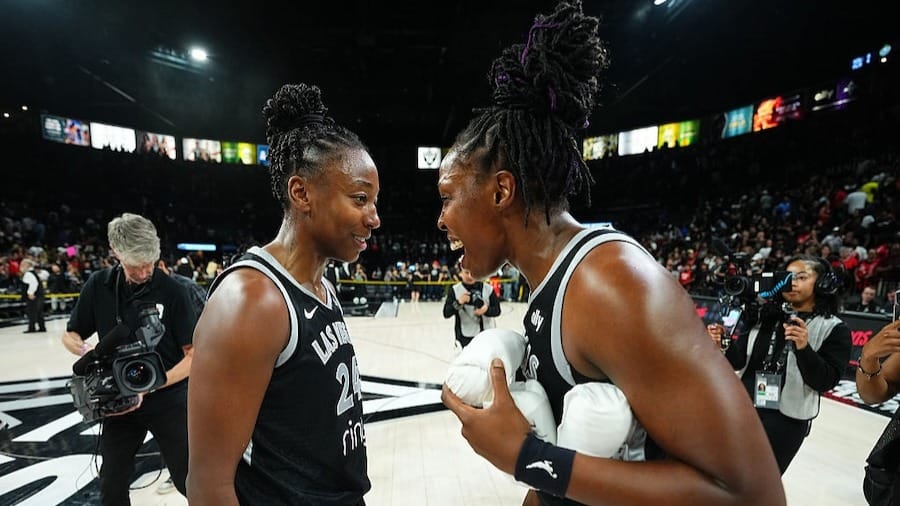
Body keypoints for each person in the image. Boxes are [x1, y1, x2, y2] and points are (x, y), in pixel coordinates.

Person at [436, 2, 785, 504]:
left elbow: (752, 494)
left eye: (447, 196)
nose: (442, 219)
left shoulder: (610, 283)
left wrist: (527, 460)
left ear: (500, 192)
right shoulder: (555, 280)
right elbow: (574, 477)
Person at [187, 82, 379, 505]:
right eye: (360, 199)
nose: (374, 218)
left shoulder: (323, 287)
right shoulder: (252, 300)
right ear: (301, 193)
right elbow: (207, 485)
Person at [61, 213, 198, 505]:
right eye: (137, 266)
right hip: (119, 401)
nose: (145, 271)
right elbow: (71, 333)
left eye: (150, 263)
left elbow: (193, 356)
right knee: (111, 482)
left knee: (189, 478)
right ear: (116, 253)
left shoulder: (174, 291)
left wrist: (154, 384)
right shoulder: (99, 285)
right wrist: (85, 350)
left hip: (168, 398)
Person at [708, 255, 851, 474]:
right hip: (743, 407)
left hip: (786, 421)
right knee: (721, 474)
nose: (791, 282)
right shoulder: (764, 317)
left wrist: (803, 348)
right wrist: (724, 343)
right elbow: (738, 362)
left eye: (801, 277)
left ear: (823, 283)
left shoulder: (834, 328)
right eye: (786, 277)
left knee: (759, 484)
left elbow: (825, 381)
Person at [443, 265, 501, 349]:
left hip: (487, 336)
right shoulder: (455, 290)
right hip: (465, 338)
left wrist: (486, 310)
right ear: (460, 273)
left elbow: (497, 310)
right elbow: (446, 313)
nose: (470, 276)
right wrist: (459, 302)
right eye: (466, 272)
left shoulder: (488, 289)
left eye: (473, 272)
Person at [19, 258, 46, 333]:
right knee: (39, 312)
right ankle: (42, 327)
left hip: (34, 295)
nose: (21, 266)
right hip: (39, 295)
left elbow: (34, 283)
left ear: (27, 265)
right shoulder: (33, 273)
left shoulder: (28, 274)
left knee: (32, 312)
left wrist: (30, 293)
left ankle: (32, 328)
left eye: (22, 264)